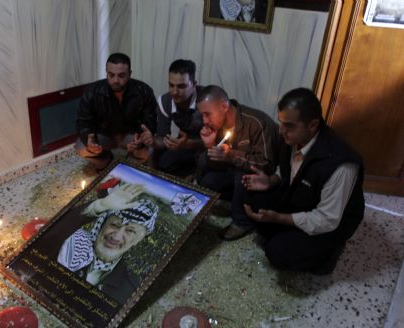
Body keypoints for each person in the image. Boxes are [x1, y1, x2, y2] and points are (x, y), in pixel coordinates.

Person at [234, 88, 365, 274]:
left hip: (329, 223)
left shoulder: (340, 165)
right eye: (280, 123)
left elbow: (327, 219)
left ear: (312, 125)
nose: (281, 131)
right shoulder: (291, 139)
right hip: (301, 200)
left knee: (278, 252)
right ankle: (286, 231)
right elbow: (288, 170)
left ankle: (328, 256)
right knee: (252, 198)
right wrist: (271, 180)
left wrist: (279, 218)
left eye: (289, 125)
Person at [196, 85, 278, 238]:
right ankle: (238, 200)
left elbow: (266, 165)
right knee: (207, 177)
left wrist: (231, 156)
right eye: (202, 115)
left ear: (224, 106)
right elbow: (217, 163)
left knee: (242, 172)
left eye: (207, 114)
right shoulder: (217, 125)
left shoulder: (256, 123)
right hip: (234, 173)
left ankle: (242, 222)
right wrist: (210, 145)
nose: (205, 121)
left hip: (262, 179)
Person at [57, 184, 159, 304]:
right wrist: (100, 206)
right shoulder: (71, 241)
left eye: (130, 231)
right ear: (102, 223)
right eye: (114, 224)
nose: (116, 236)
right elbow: (54, 229)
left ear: (140, 239)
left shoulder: (131, 288)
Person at [75, 53, 157, 168]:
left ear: (130, 74)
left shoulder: (144, 91)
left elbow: (150, 120)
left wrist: (141, 139)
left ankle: (130, 165)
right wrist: (88, 138)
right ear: (106, 72)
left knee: (149, 149)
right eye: (111, 75)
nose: (115, 80)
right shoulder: (92, 91)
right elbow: (83, 121)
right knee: (81, 147)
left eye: (121, 75)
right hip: (105, 135)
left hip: (131, 137)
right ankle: (105, 161)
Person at [147, 59, 204, 176]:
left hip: (208, 146)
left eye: (181, 86)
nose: (174, 92)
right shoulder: (165, 101)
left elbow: (220, 141)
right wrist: (152, 140)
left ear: (194, 85)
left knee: (204, 164)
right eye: (171, 85)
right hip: (185, 144)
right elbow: (162, 136)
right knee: (163, 162)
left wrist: (190, 144)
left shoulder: (206, 100)